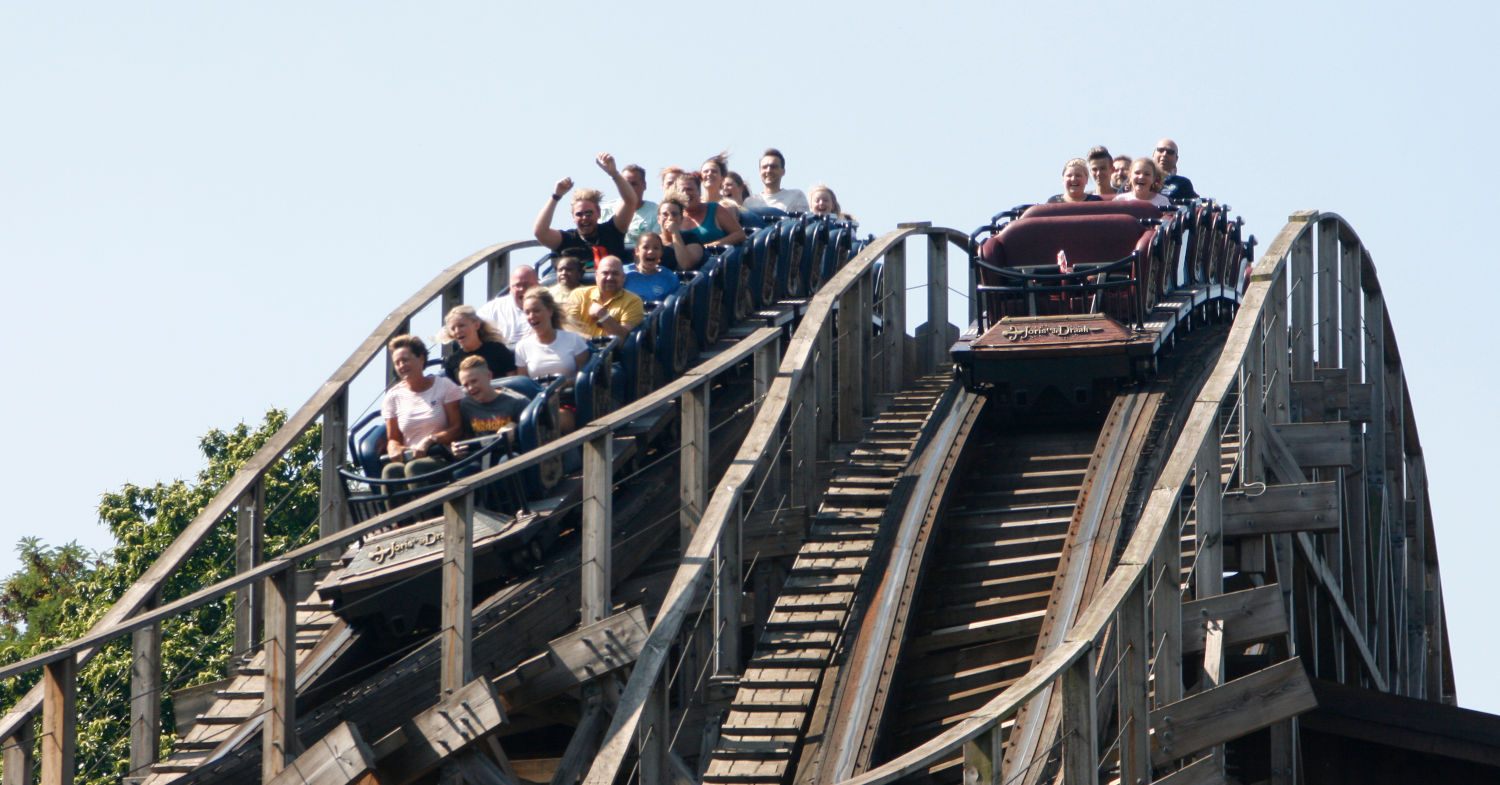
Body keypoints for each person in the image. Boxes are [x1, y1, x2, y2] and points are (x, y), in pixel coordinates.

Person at [380, 334, 465, 483]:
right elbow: (393, 438)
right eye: (397, 363)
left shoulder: (444, 386)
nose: (401, 366)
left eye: (405, 360)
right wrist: (393, 448)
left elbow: (457, 428)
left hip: (442, 456)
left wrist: (430, 440)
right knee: (391, 471)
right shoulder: (393, 396)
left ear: (421, 358)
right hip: (410, 456)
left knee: (415, 468)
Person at [533, 153, 639, 266]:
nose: (584, 218)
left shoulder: (612, 231)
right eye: (579, 214)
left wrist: (614, 174)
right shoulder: (567, 239)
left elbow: (630, 201)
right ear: (573, 217)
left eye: (589, 213)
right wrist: (556, 196)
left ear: (598, 213)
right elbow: (540, 232)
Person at [514, 288, 592, 433]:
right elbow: (524, 383)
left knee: (551, 421)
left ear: (550, 311)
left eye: (536, 311)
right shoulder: (522, 347)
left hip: (567, 400)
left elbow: (585, 377)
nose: (531, 316)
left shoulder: (573, 340)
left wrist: (564, 383)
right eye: (527, 312)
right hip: (538, 404)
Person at [566, 255, 645, 338]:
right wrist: (589, 341)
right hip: (577, 346)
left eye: (615, 274)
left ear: (623, 277)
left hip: (610, 347)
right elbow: (567, 327)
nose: (610, 278)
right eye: (605, 273)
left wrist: (603, 316)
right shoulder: (579, 295)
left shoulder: (633, 301)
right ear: (596, 276)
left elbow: (621, 339)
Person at [455, 356, 529, 439]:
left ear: (489, 376)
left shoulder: (518, 402)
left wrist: (517, 429)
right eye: (466, 385)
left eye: (474, 381)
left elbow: (534, 435)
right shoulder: (465, 405)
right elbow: (466, 438)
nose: (471, 388)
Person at [440, 305, 516, 383]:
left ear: (476, 325)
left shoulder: (497, 349)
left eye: (461, 326)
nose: (457, 331)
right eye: (453, 329)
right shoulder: (451, 362)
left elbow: (512, 381)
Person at [673, 171, 747, 247]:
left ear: (699, 192)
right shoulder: (673, 216)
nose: (686, 193)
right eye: (682, 190)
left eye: (689, 189)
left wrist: (713, 245)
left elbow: (740, 234)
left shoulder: (714, 209)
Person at [476, 265, 538, 348]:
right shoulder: (492, 308)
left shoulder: (546, 308)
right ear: (510, 288)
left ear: (538, 286)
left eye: (526, 285)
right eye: (517, 285)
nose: (522, 289)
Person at [601, 163, 659, 248]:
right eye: (625, 184)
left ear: (644, 185)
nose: (629, 188)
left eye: (633, 184)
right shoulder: (606, 209)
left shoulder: (656, 212)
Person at [744, 148, 810, 213]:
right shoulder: (750, 202)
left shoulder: (796, 196)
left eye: (773, 167)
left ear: (783, 172)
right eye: (764, 167)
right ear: (760, 172)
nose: (768, 170)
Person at [626, 233, 682, 302]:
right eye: (645, 247)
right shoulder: (624, 274)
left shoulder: (669, 278)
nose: (651, 251)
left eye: (656, 248)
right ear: (637, 251)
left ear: (661, 252)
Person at [653, 197, 705, 270]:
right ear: (658, 219)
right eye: (665, 214)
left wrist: (675, 233)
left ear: (681, 219)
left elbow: (686, 264)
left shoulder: (690, 238)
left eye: (674, 214)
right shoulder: (653, 241)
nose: (670, 218)